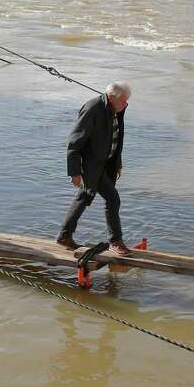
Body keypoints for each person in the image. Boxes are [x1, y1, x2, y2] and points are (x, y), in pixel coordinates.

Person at [57, 82, 132, 256]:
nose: (126, 105)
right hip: (91, 166)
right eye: (124, 101)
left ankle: (64, 236)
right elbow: (74, 142)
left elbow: (116, 138)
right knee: (113, 199)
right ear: (112, 97)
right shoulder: (93, 109)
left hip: (104, 165)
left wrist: (118, 163)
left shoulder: (115, 110)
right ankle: (115, 241)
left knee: (84, 197)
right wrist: (74, 172)